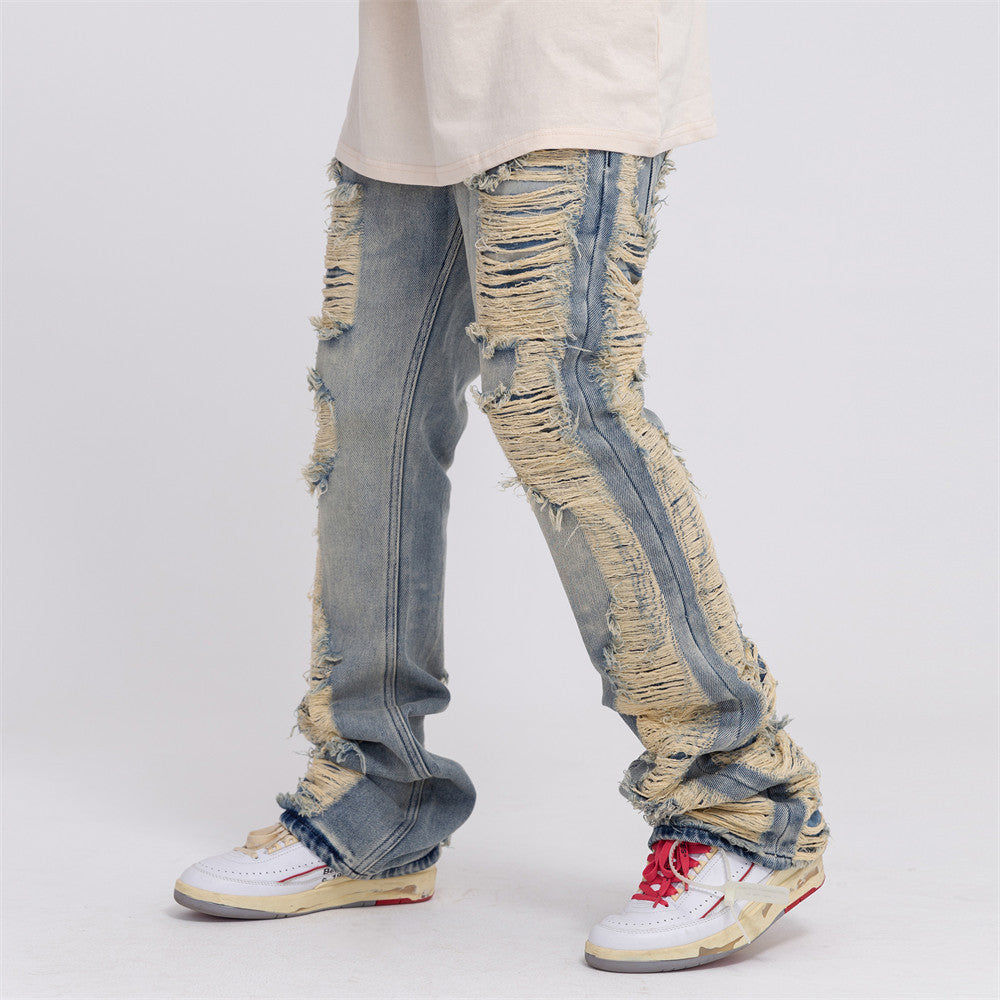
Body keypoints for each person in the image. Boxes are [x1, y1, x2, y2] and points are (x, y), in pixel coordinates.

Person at [173, 0, 829, 973]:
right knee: (369, 414)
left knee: (558, 401)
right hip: (415, 63)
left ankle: (743, 804)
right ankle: (377, 798)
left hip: (561, 53)